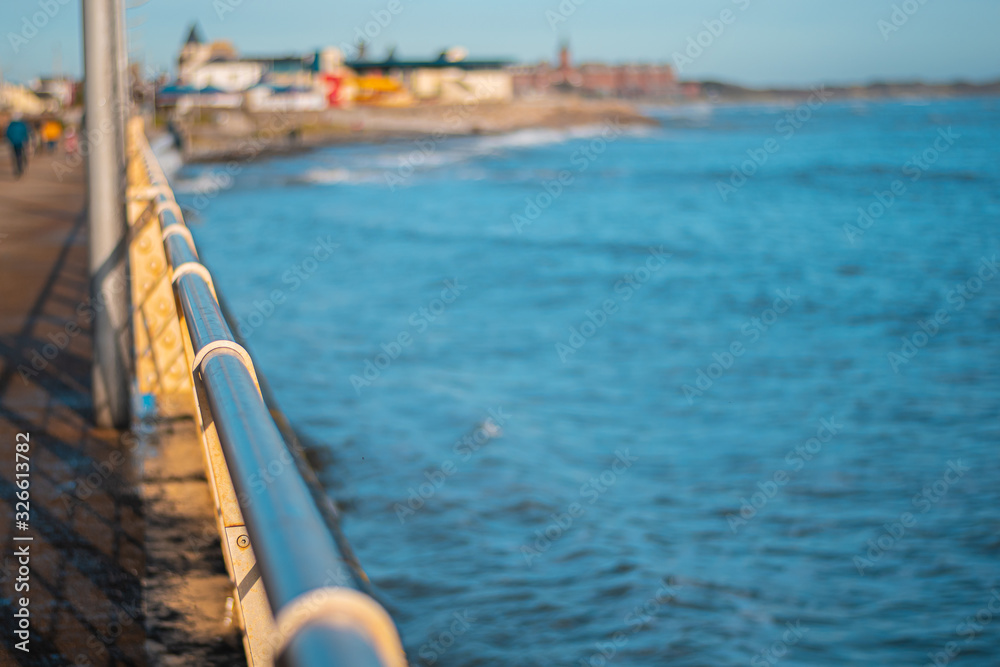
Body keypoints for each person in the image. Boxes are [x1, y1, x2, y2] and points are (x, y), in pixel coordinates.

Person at [5, 113, 31, 178]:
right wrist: (26, 140)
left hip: (13, 143)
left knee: (15, 156)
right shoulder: (22, 125)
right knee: (20, 155)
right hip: (20, 142)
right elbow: (26, 132)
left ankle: (17, 169)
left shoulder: (11, 125)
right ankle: (20, 168)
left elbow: (7, 133)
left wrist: (10, 140)